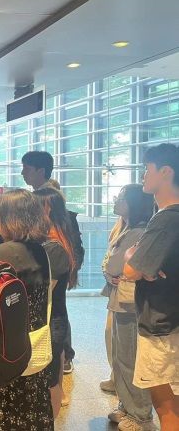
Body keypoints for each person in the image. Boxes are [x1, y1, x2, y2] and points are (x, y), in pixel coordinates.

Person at [124, 143, 179, 431]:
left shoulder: (167, 218)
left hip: (162, 324)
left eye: (147, 169)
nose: (144, 175)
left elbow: (132, 269)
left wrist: (132, 255)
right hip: (171, 319)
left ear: (166, 172)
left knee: (167, 408)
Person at [0, 189, 54, 431]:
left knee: (7, 411)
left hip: (8, 349)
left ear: (10, 218)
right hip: (36, 344)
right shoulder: (42, 251)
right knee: (34, 409)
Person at [22, 151, 82, 375]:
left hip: (54, 276)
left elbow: (46, 290)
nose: (23, 173)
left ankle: (64, 356)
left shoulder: (49, 198)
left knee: (56, 310)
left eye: (27, 168)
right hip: (55, 273)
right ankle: (62, 356)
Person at [102, 184, 155, 431]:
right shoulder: (128, 229)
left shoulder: (137, 232)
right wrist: (109, 270)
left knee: (130, 358)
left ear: (133, 204)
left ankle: (141, 416)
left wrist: (110, 270)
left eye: (121, 197)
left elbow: (113, 265)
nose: (116, 200)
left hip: (129, 304)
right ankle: (127, 405)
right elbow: (110, 266)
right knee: (120, 357)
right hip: (121, 302)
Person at [35, 188, 78, 417]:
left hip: (53, 318)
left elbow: (44, 291)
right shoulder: (55, 241)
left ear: (47, 209)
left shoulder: (53, 247)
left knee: (51, 378)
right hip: (56, 316)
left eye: (35, 206)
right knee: (55, 366)